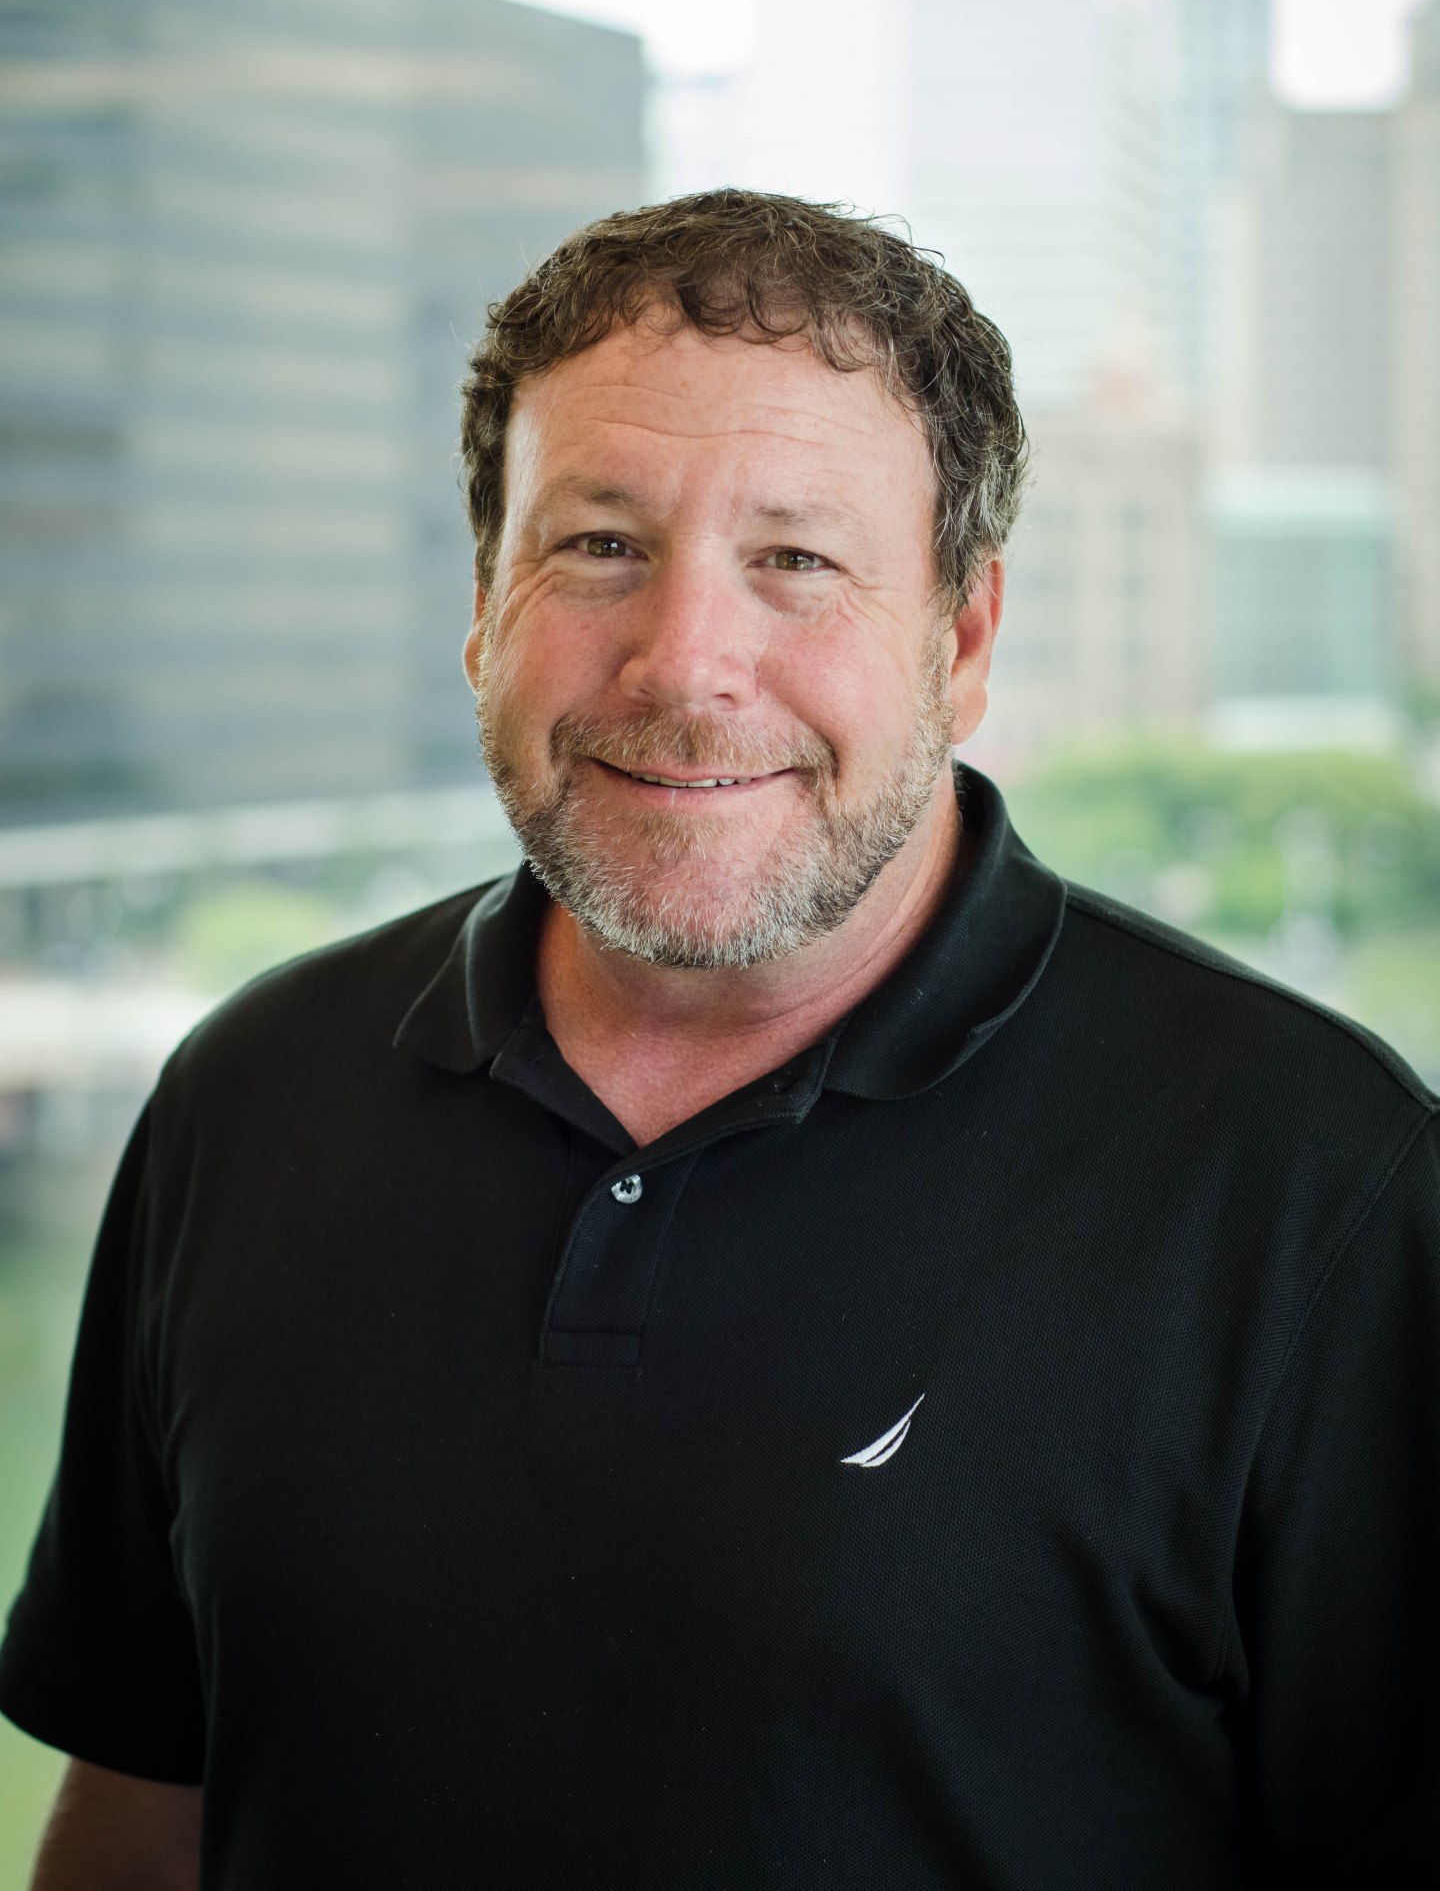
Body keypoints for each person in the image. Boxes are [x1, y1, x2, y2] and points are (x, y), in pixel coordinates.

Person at [2, 190, 1436, 1890]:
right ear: (484, 602)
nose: (686, 664)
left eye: (797, 561)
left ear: (963, 640)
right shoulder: (248, 1096)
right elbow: (146, 1801)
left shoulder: (1316, 1184)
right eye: (601, 545)